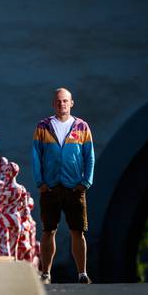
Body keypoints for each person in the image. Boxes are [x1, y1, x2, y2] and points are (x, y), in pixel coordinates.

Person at [32, 88, 95, 284]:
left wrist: (86, 181)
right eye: (58, 101)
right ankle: (46, 273)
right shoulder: (43, 126)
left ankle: (82, 273)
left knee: (77, 231)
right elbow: (36, 155)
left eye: (65, 101)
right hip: (50, 186)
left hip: (74, 186)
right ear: (53, 104)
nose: (62, 104)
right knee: (48, 230)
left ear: (71, 103)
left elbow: (89, 156)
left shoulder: (82, 127)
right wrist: (40, 182)